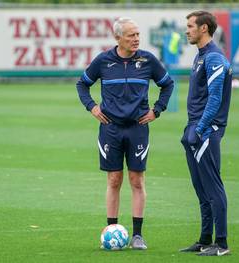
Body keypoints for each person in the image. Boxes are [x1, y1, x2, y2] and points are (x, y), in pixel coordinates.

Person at [76, 17, 174, 250]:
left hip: (138, 128)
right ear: (117, 37)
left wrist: (157, 110)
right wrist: (92, 106)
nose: (136, 39)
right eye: (131, 35)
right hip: (110, 128)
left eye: (138, 34)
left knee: (136, 180)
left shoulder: (148, 60)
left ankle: (138, 236)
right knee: (114, 179)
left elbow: (167, 84)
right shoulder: (103, 61)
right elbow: (82, 84)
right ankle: (112, 229)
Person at [179, 11, 232, 256]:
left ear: (204, 29)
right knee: (201, 188)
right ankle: (204, 239)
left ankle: (221, 244)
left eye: (190, 26)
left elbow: (215, 99)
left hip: (207, 130)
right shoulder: (201, 56)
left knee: (213, 187)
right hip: (194, 127)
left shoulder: (214, 58)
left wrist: (199, 129)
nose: (186, 30)